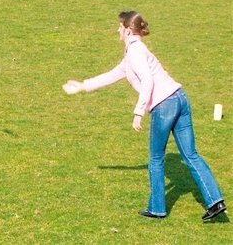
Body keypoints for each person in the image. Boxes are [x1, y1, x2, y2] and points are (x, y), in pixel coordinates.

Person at [63, 11, 226, 222]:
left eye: (120, 27)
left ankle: (157, 208)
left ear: (128, 30)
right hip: (180, 98)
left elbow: (148, 80)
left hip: (164, 105)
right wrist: (83, 85)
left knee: (156, 159)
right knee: (191, 155)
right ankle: (215, 201)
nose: (117, 31)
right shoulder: (135, 52)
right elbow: (112, 75)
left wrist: (138, 112)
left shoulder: (135, 53)